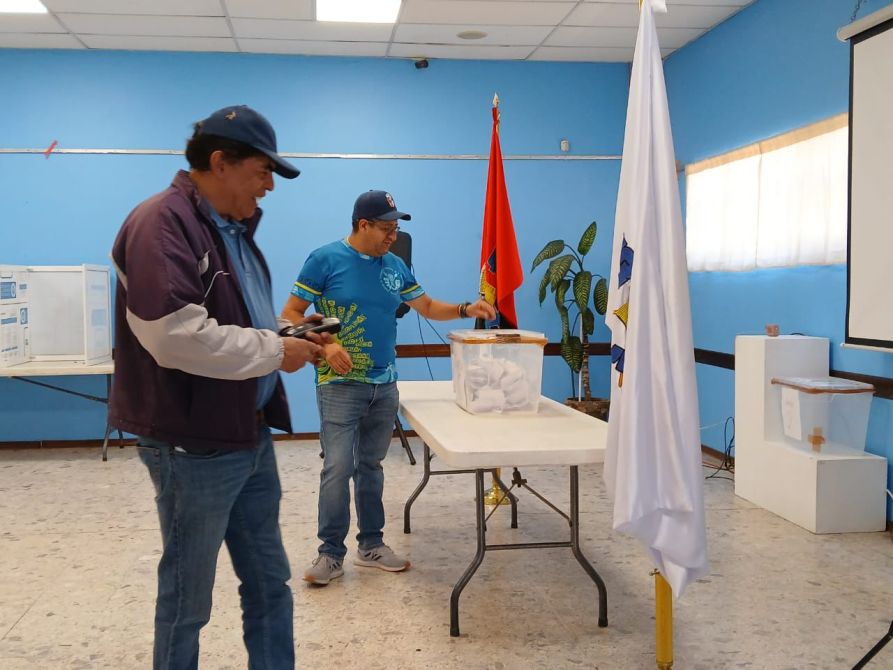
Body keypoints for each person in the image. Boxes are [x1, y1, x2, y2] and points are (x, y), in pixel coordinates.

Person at [109, 105, 327, 670]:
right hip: (193, 447)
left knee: (269, 584)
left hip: (247, 438)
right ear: (219, 163)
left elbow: (242, 321)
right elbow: (175, 337)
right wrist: (280, 350)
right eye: (261, 172)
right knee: (188, 598)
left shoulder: (232, 233)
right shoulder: (161, 223)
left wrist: (296, 335)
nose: (268, 187)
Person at [281, 189, 496, 585]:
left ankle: (372, 545)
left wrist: (466, 308)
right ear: (362, 225)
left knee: (370, 467)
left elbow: (427, 307)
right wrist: (327, 345)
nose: (391, 236)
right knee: (337, 467)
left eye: (395, 228)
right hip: (339, 385)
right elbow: (289, 315)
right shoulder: (324, 259)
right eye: (385, 228)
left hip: (385, 384)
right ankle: (330, 554)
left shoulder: (395, 265)